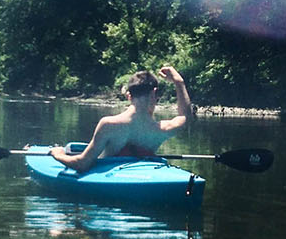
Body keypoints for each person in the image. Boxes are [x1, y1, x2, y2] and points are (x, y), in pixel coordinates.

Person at [50, 66, 195, 170]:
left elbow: (82, 164)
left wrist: (58, 155)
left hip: (108, 180)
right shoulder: (162, 129)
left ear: (128, 96)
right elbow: (185, 116)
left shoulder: (108, 124)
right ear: (154, 93)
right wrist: (179, 82)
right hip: (138, 176)